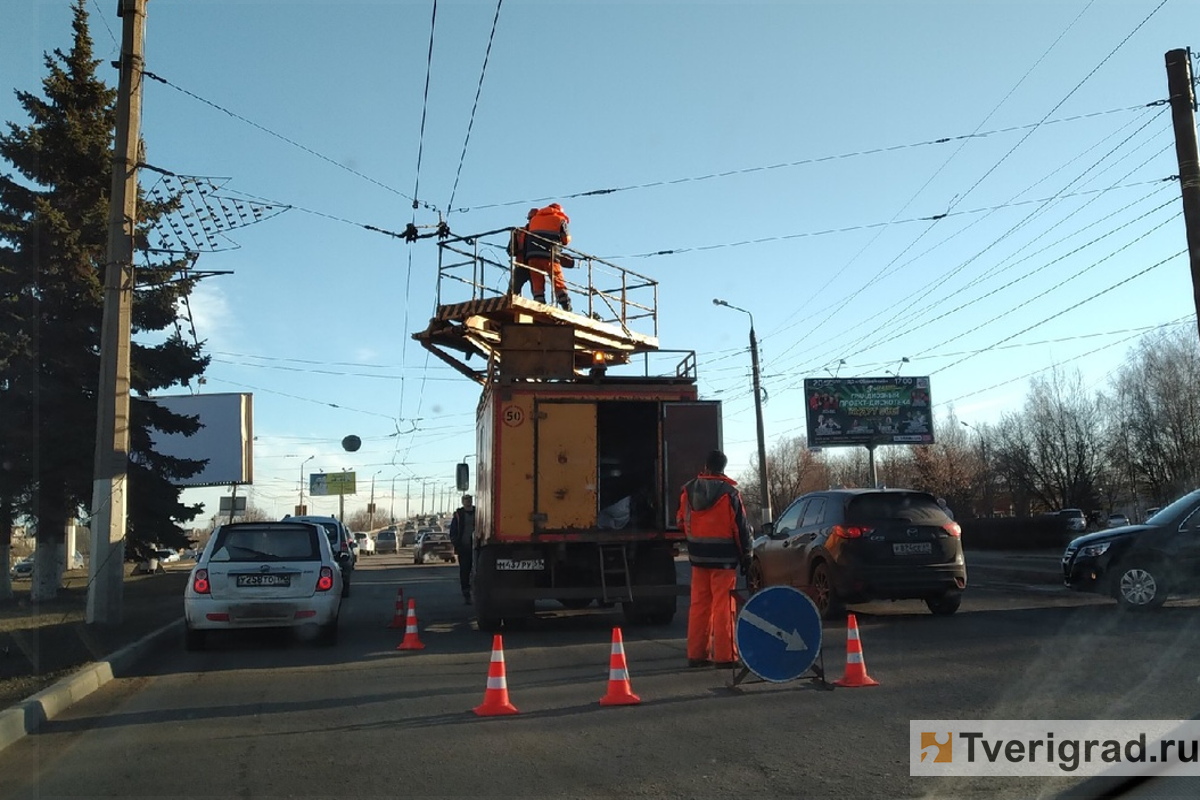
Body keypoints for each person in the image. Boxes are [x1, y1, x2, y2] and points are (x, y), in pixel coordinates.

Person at [676, 450, 753, 669]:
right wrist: (746, 554)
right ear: (723, 468)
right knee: (723, 606)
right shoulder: (730, 493)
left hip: (697, 556)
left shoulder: (687, 491)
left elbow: (681, 521)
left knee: (699, 605)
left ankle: (696, 654)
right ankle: (725, 656)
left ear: (706, 466)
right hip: (724, 560)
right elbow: (741, 529)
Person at [525, 202, 572, 311]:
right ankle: (566, 304)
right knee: (557, 279)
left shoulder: (534, 219)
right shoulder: (560, 219)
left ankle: (539, 304)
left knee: (537, 282)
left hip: (532, 256)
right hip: (549, 255)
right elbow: (566, 240)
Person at [449, 494, 476, 605]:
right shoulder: (458, 515)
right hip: (464, 548)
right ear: (462, 502)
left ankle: (477, 592)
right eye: (466, 500)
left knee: (478, 571)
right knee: (465, 571)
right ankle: (466, 594)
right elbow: (453, 531)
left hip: (477, 546)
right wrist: (456, 543)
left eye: (469, 500)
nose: (468, 502)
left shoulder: (477, 512)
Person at [508, 208, 537, 297]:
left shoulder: (520, 232)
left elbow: (510, 251)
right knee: (513, 291)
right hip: (525, 265)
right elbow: (510, 250)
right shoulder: (519, 232)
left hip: (532, 265)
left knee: (537, 291)